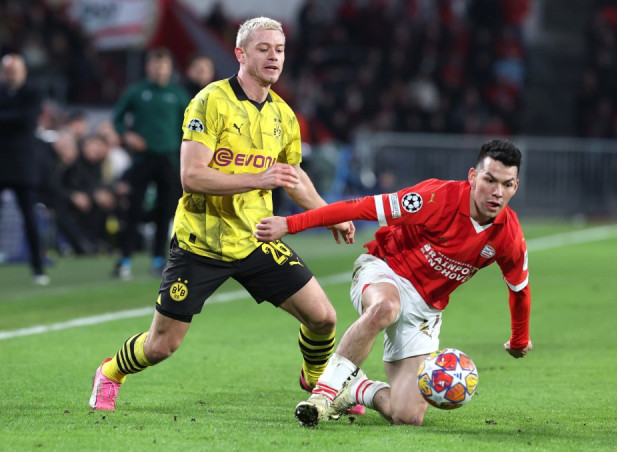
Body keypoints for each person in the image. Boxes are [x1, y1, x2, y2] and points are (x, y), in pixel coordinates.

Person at [89, 17, 361, 416]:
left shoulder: (284, 115)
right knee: (161, 346)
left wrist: (327, 213)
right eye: (263, 48)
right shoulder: (210, 101)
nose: (273, 57)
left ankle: (319, 383)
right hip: (201, 243)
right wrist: (258, 178)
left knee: (323, 317)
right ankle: (110, 372)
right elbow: (191, 176)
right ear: (240, 54)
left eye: (280, 50)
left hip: (255, 238)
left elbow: (292, 176)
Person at [254, 138, 534, 426]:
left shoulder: (509, 235)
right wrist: (290, 224)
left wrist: (519, 340)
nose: (497, 192)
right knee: (386, 306)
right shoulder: (436, 198)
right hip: (386, 269)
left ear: (515, 186)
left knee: (407, 416)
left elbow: (519, 290)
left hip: (425, 309)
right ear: (473, 177)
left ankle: (357, 389)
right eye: (489, 180)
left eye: (507, 184)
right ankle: (323, 396)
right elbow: (361, 207)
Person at [112, 47, 191, 279]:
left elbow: (190, 125)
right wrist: (127, 136)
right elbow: (117, 118)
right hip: (143, 158)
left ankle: (158, 259)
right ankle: (125, 258)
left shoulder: (178, 95)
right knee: (133, 209)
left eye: (163, 65)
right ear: (148, 67)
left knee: (165, 211)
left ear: (169, 68)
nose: (159, 70)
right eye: (156, 65)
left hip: (169, 159)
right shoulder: (137, 92)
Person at [0, 53, 49, 285]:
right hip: (2, 162)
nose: (11, 75)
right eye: (7, 71)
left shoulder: (33, 92)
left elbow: (28, 120)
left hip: (23, 164)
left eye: (14, 70)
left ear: (24, 72)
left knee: (29, 216)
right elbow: (20, 119)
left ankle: (38, 267)